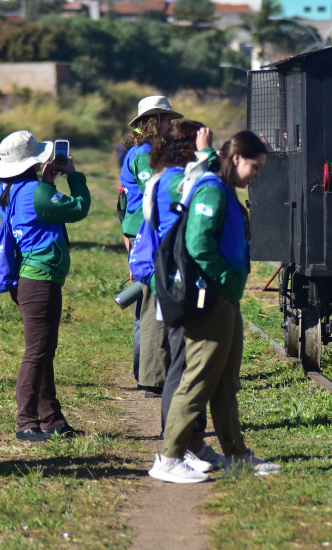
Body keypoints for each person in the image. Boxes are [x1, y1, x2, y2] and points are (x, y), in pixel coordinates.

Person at [148, 131, 279, 483]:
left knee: (224, 385)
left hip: (226, 300)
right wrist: (225, 281)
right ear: (236, 158)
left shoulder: (226, 191)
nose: (257, 174)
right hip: (212, 300)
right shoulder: (211, 190)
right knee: (198, 380)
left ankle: (237, 454)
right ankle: (169, 458)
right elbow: (198, 243)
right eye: (255, 165)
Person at [0, 130, 91, 442]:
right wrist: (74, 176)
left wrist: (46, 183)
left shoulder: (10, 190)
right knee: (37, 352)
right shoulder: (38, 192)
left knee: (43, 349)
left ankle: (51, 419)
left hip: (24, 278)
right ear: (35, 161)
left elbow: (39, 209)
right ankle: (26, 423)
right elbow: (78, 207)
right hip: (41, 279)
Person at [142, 120, 224, 471]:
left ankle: (192, 441)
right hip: (182, 281)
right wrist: (207, 154)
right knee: (182, 365)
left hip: (174, 279)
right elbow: (207, 187)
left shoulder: (163, 179)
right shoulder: (178, 182)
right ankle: (178, 445)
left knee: (189, 361)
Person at [121, 95, 183, 396]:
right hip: (149, 233)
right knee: (151, 303)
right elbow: (157, 192)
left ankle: (146, 367)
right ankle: (151, 373)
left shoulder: (137, 151)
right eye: (167, 118)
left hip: (139, 232)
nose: (172, 123)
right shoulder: (146, 153)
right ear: (155, 121)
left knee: (145, 303)